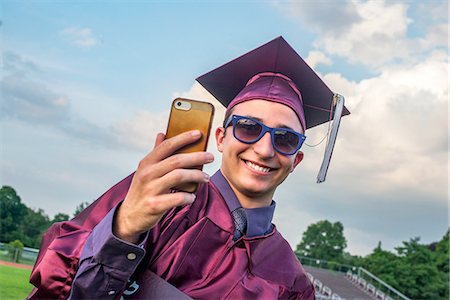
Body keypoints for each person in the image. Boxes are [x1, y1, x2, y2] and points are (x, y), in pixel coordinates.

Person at [28, 36, 349, 299]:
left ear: (297, 159)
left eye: (285, 138)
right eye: (249, 128)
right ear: (221, 137)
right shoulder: (157, 194)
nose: (265, 150)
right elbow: (61, 286)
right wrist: (124, 228)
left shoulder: (292, 282)